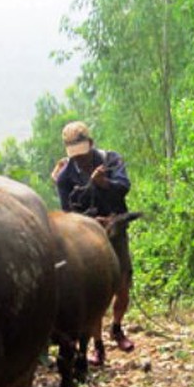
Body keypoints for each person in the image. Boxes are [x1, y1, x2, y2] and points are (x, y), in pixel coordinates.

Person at [52, 121, 135, 359]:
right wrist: (91, 222)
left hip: (115, 229)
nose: (81, 160)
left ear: (91, 144)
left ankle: (117, 328)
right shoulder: (65, 176)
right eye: (75, 157)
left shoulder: (111, 160)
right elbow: (68, 211)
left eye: (83, 155)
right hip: (89, 238)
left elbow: (124, 187)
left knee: (122, 284)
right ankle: (97, 344)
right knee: (98, 288)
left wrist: (105, 184)